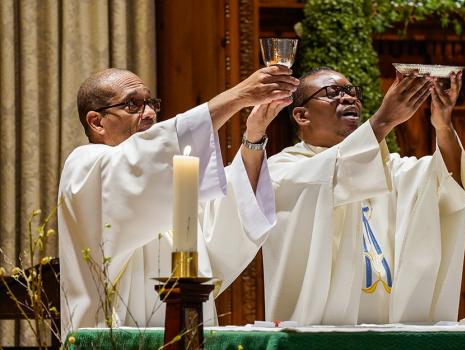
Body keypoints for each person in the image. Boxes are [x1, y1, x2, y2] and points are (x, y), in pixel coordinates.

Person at [57, 66, 298, 335]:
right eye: (133, 104)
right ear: (96, 121)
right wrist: (238, 96)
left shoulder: (171, 183)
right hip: (112, 338)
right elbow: (140, 161)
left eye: (151, 103)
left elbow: (228, 224)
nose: (149, 113)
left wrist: (254, 135)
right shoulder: (83, 167)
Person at [262, 67, 465, 325]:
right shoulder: (281, 171)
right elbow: (327, 176)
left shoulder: (388, 168)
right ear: (301, 115)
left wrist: (443, 126)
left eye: (351, 92)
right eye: (333, 92)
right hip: (317, 334)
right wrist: (384, 120)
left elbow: (449, 187)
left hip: (386, 330)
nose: (348, 98)